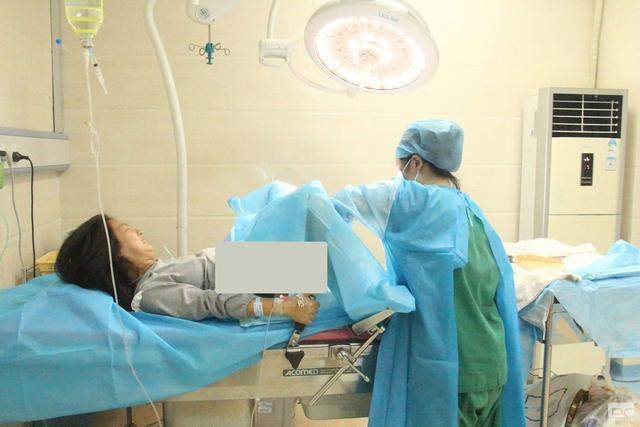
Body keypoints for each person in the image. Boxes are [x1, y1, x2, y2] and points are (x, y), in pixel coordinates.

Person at [333, 120, 524, 427]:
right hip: (492, 363)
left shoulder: (409, 200)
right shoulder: (472, 211)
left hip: (450, 374)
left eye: (400, 166)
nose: (398, 174)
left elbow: (328, 210)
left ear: (416, 163)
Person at [55, 215, 319, 324]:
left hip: (247, 264)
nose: (138, 231)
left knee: (308, 214)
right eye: (127, 230)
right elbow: (212, 302)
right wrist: (284, 307)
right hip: (251, 271)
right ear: (114, 254)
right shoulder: (150, 293)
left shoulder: (157, 272)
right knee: (309, 208)